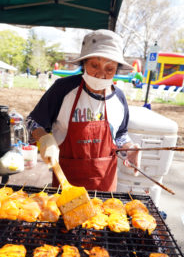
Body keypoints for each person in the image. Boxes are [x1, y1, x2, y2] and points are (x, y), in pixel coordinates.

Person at [26, 29, 141, 192]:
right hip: (66, 185)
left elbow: (120, 135)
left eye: (109, 69)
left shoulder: (119, 98)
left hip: (104, 188)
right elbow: (32, 122)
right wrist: (44, 138)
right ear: (84, 63)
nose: (101, 75)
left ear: (116, 70)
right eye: (95, 65)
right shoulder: (63, 89)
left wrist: (128, 150)